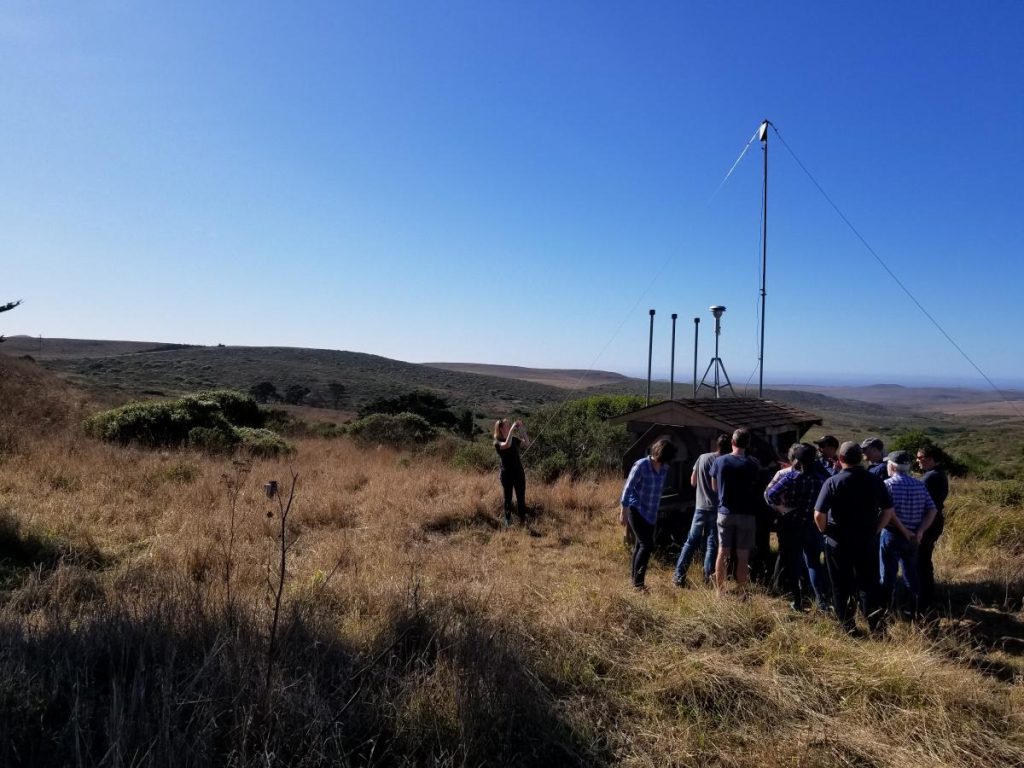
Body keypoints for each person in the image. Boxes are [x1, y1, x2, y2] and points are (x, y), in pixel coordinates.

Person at [814, 441, 895, 634]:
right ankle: (876, 627)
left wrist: (825, 532)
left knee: (841, 585)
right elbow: (888, 510)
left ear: (840, 459)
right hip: (866, 541)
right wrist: (876, 529)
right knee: (868, 584)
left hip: (838, 542)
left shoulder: (832, 482)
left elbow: (818, 514)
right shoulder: (875, 480)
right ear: (860, 459)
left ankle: (847, 627)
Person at [764, 442, 828, 611]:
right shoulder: (820, 479)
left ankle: (797, 601)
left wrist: (783, 508)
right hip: (812, 524)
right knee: (814, 563)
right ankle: (821, 601)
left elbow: (770, 495)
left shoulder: (791, 477)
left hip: (791, 522)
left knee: (793, 562)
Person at [881, 450, 937, 618]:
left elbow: (888, 512)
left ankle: (886, 610)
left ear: (891, 466)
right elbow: (932, 510)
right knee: (911, 574)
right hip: (914, 537)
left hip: (892, 535)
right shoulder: (919, 484)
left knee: (888, 575)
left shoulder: (887, 485)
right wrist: (920, 531)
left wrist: (903, 530)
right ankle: (913, 610)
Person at [620, 438, 678, 591]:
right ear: (661, 454)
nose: (667, 463)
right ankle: (639, 585)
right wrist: (623, 511)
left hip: (651, 512)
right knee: (647, 545)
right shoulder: (641, 466)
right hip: (636, 509)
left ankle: (634, 582)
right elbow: (628, 488)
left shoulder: (664, 468)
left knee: (640, 545)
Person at [673, 434, 730, 587]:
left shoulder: (702, 458)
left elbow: (693, 481)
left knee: (690, 541)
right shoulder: (725, 462)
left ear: (716, 445)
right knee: (711, 543)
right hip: (716, 508)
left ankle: (679, 576)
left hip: (700, 507)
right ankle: (706, 578)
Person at [711, 428, 761, 592]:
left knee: (722, 552)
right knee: (742, 554)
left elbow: (714, 487)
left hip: (725, 512)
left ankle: (720, 591)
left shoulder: (720, 461)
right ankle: (742, 591)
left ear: (732, 442)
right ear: (748, 444)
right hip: (747, 514)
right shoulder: (753, 464)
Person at [917, 443, 949, 611]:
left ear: (930, 459)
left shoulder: (930, 477)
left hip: (929, 522)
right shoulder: (938, 473)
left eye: (920, 458)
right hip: (935, 521)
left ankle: (924, 598)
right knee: (924, 559)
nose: (917, 461)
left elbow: (926, 504)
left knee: (921, 560)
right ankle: (927, 595)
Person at [493, 418, 529, 526]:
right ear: (500, 428)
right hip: (506, 474)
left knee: (521, 497)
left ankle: (523, 520)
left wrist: (522, 431)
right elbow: (507, 445)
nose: (509, 427)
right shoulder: (497, 441)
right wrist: (513, 429)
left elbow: (526, 443)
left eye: (510, 425)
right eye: (507, 426)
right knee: (507, 498)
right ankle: (507, 521)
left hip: (518, 472)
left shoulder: (513, 439)